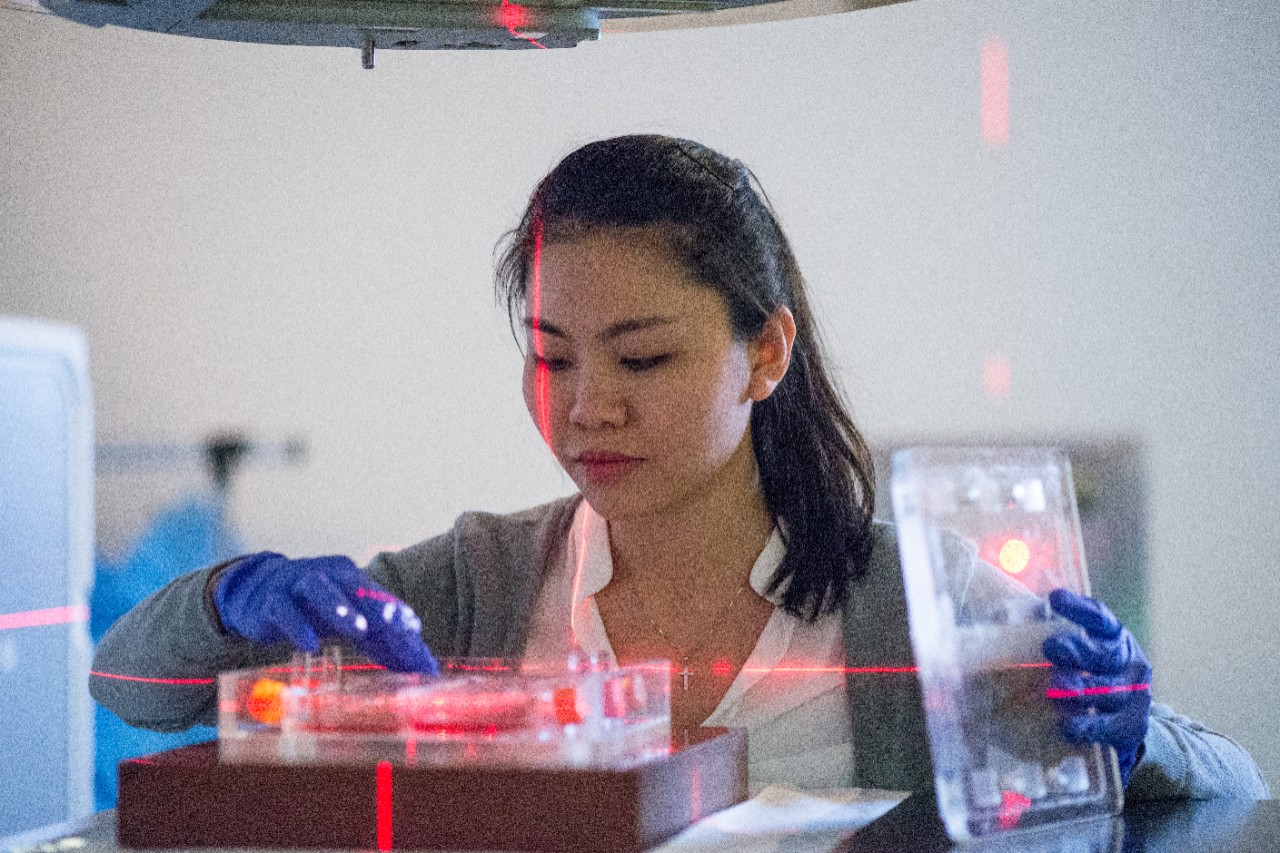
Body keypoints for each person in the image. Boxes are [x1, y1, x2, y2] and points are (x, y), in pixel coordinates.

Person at [91, 134, 1268, 799]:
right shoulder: (476, 582)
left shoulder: (905, 602)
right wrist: (228, 597)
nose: (585, 406)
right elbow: (126, 695)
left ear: (765, 352)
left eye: (641, 356)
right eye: (550, 357)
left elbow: (1231, 783)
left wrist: (1125, 729)